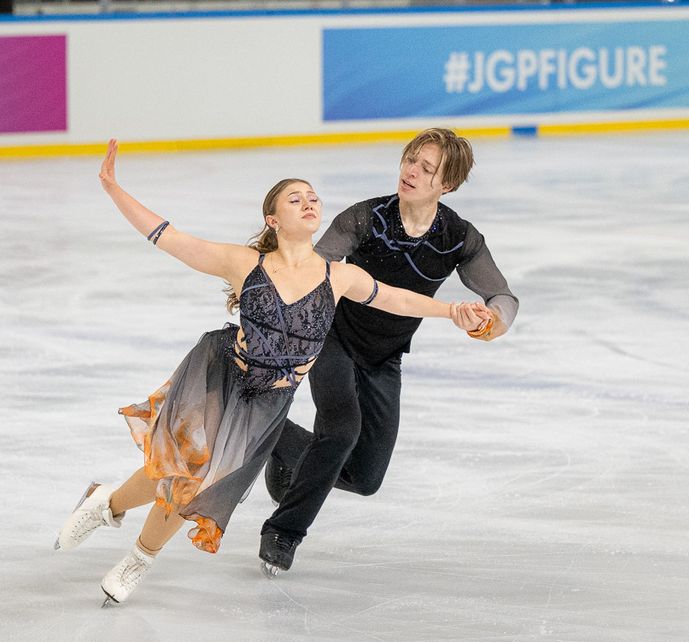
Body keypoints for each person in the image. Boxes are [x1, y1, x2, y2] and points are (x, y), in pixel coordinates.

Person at [55, 139, 489, 606]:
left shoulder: (339, 276)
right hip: (222, 379)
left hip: (271, 403)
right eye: (294, 198)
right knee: (184, 472)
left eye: (313, 197)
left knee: (189, 478)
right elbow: (169, 237)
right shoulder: (245, 263)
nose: (308, 202)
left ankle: (114, 517)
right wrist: (113, 189)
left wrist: (452, 310)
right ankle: (126, 537)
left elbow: (397, 299)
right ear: (273, 219)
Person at [259, 128, 518, 575]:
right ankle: (283, 532)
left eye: (426, 168)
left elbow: (503, 297)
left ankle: (279, 440)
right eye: (410, 160)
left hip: (385, 357)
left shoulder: (458, 237)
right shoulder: (366, 218)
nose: (411, 171)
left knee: (365, 478)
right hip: (333, 339)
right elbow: (313, 268)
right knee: (341, 432)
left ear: (447, 184)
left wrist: (490, 321)